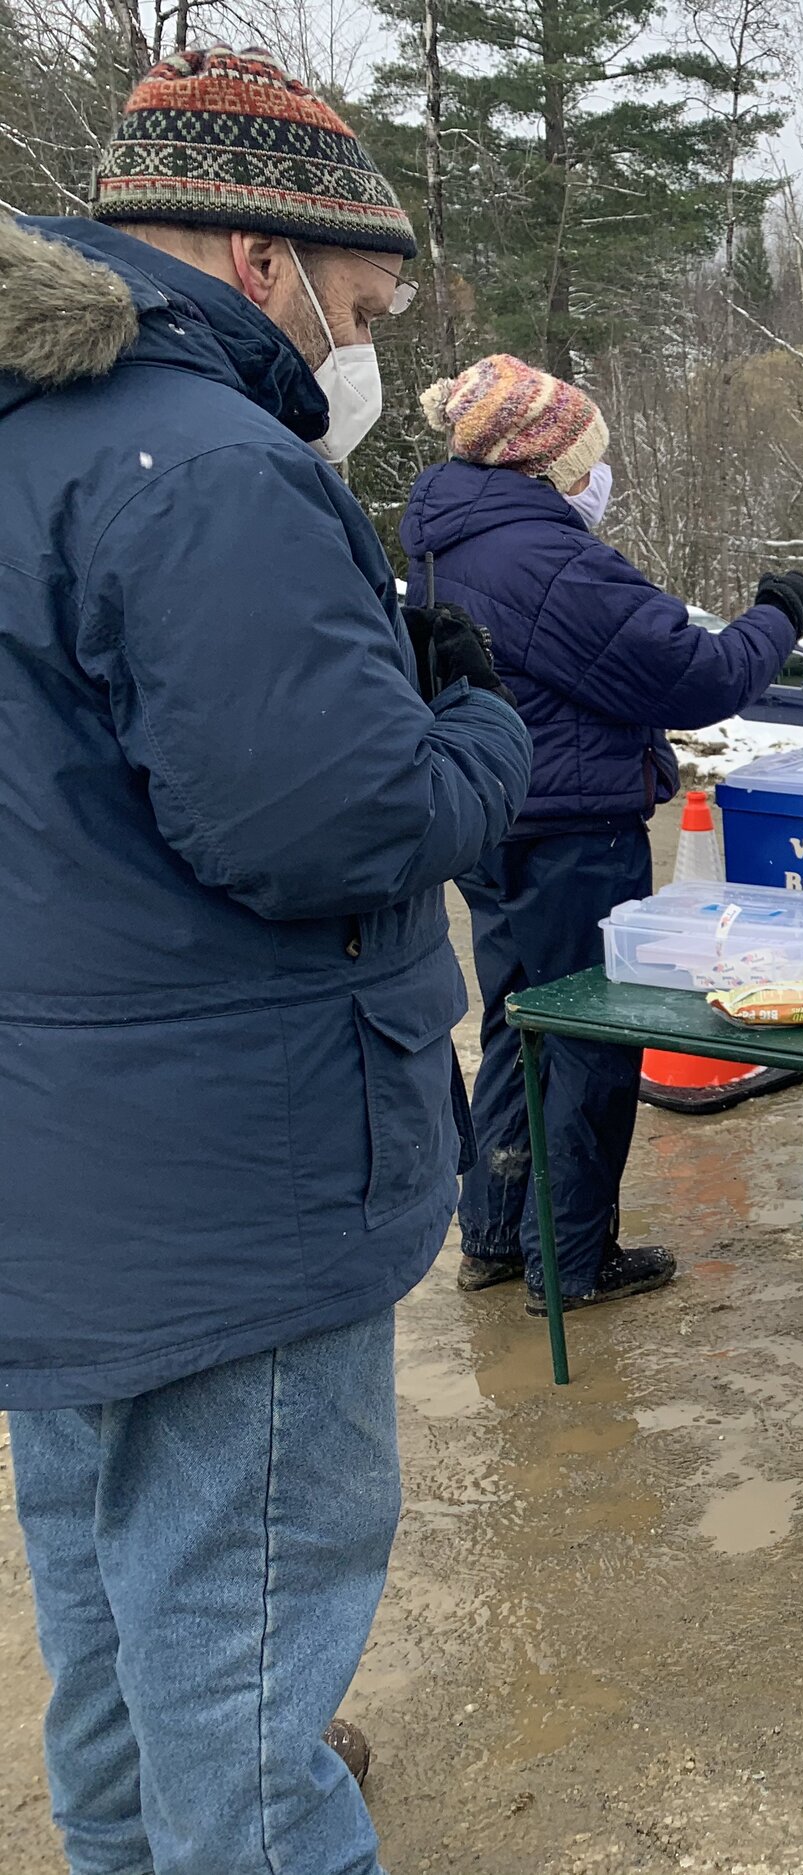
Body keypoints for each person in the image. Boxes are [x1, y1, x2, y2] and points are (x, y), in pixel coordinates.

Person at [0, 45, 533, 1875]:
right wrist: (476, 731)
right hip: (231, 1181)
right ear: (260, 259)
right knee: (240, 1681)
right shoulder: (205, 462)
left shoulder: (34, 434)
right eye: (363, 304)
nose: (362, 346)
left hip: (69, 1170)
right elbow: (331, 827)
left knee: (115, 1621)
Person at [401, 355, 803, 1315]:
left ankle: (497, 1234)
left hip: (495, 823)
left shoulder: (444, 537)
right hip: (574, 832)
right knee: (588, 1038)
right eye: (590, 459)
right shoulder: (543, 557)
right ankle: (570, 1260)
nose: (600, 478)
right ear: (545, 462)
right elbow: (695, 674)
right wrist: (777, 615)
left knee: (518, 1024)